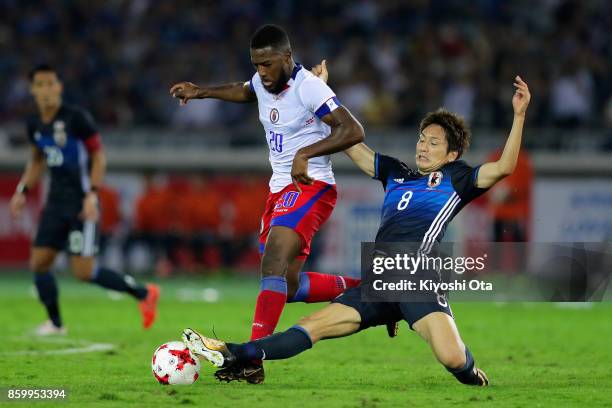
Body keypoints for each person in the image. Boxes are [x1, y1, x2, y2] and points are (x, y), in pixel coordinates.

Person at [181, 68, 532, 386]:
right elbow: (351, 141)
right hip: (378, 280)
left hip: (415, 277)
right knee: (312, 327)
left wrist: (518, 116)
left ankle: (473, 375)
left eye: (434, 143)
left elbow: (503, 167)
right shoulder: (395, 172)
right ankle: (234, 352)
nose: (423, 147)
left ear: (452, 154)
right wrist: (323, 96)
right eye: (422, 139)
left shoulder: (458, 178)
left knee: (453, 359)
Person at [170, 25, 365, 383]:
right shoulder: (263, 82)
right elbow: (246, 91)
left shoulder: (309, 87)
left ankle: (252, 357)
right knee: (287, 286)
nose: (262, 72)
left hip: (312, 185)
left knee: (272, 261)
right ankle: (368, 289)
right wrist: (201, 92)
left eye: (268, 64)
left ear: (287, 57)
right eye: (257, 64)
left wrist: (305, 153)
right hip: (279, 190)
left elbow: (353, 131)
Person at [10, 64, 160, 335]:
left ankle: (143, 293)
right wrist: (22, 191)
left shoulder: (76, 118)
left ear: (59, 87)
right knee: (39, 263)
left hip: (81, 203)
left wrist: (92, 194)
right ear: (32, 90)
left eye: (50, 83)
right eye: (40, 84)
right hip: (55, 203)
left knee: (83, 271)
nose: (46, 90)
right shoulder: (33, 124)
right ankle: (56, 324)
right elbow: (35, 161)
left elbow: (98, 156)